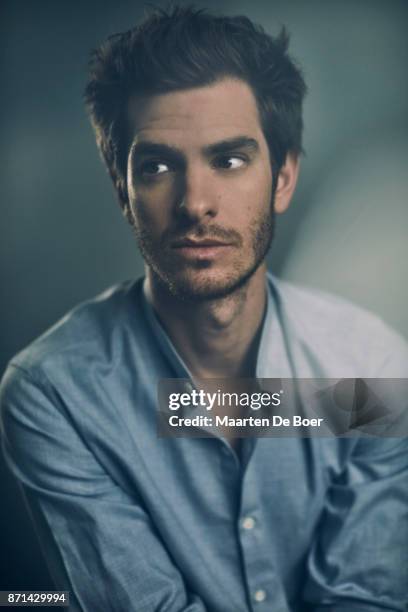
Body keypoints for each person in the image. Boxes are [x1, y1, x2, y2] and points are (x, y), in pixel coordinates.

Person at [1, 6, 407, 612]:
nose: (196, 203)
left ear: (284, 178)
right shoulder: (57, 394)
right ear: (122, 189)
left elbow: (366, 598)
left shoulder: (369, 365)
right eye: (159, 166)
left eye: (230, 160)